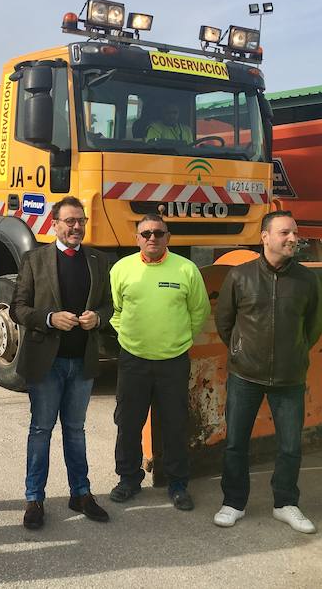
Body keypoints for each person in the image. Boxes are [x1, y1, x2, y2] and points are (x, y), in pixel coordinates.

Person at [213, 211, 322, 533]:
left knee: (290, 446)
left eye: (295, 233)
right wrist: (240, 351)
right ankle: (233, 502)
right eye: (285, 232)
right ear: (265, 236)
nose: (293, 239)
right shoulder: (240, 276)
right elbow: (225, 321)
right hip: (245, 376)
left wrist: (296, 352)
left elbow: (314, 326)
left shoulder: (307, 280)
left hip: (289, 378)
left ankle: (285, 503)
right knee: (236, 443)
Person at [10, 196, 113, 530]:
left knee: (75, 430)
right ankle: (34, 499)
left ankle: (80, 493)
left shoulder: (98, 260)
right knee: (41, 430)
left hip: (81, 362)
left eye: (81, 220)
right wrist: (50, 318)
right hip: (47, 363)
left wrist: (98, 318)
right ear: (54, 224)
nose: (76, 226)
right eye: (70, 221)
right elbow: (18, 308)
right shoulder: (34, 259)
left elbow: (109, 306)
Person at [108, 214, 210, 510]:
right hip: (133, 360)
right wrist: (129, 337)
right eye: (145, 233)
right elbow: (114, 310)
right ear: (136, 238)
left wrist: (180, 340)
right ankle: (128, 479)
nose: (152, 238)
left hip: (173, 362)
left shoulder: (186, 269)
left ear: (168, 237)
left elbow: (199, 311)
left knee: (175, 424)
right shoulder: (121, 269)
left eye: (158, 233)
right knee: (128, 422)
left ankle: (177, 484)